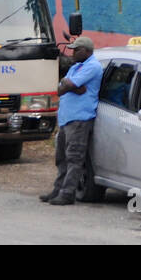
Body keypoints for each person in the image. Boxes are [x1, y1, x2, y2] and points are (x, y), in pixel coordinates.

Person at [42, 36, 103, 206]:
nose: (72, 53)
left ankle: (68, 193)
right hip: (66, 118)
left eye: (77, 50)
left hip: (79, 119)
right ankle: (58, 189)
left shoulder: (92, 66)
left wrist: (69, 85)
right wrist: (70, 85)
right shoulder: (77, 67)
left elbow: (68, 85)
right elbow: (61, 88)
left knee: (74, 158)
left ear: (87, 51)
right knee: (61, 158)